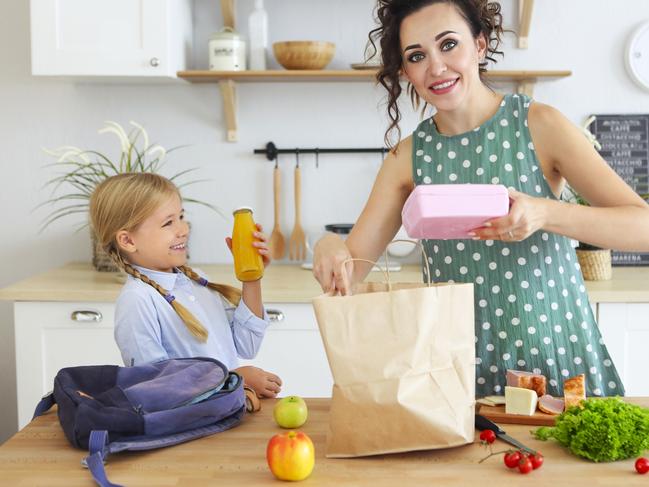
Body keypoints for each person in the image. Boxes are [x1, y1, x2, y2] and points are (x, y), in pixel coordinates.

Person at [313, 0, 649, 398]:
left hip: (558, 366)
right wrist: (329, 244)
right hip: (457, 377)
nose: (436, 67)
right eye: (417, 56)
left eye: (449, 44)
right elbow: (351, 273)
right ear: (406, 71)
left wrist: (545, 213)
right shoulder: (406, 160)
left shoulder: (540, 125)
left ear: (480, 45)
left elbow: (641, 227)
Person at [89, 172, 282, 398]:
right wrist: (234, 379)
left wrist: (252, 279)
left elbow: (246, 345)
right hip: (193, 428)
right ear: (128, 240)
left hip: (225, 413)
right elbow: (155, 387)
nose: (183, 229)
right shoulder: (137, 300)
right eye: (168, 222)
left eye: (181, 216)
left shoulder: (196, 281)